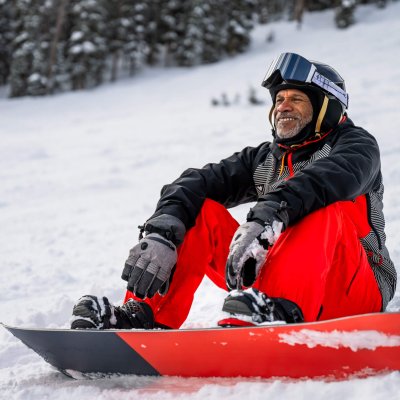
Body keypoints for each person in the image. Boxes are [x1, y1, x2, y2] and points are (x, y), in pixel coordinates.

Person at [71, 52, 396, 330]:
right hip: (280, 281)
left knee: (323, 207)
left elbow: (325, 181)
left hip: (355, 287)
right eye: (279, 99)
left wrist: (269, 213)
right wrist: (164, 230)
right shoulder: (267, 159)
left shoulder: (356, 146)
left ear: (327, 107)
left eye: (296, 99)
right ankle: (146, 313)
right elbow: (197, 182)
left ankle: (277, 312)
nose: (284, 106)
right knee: (200, 208)